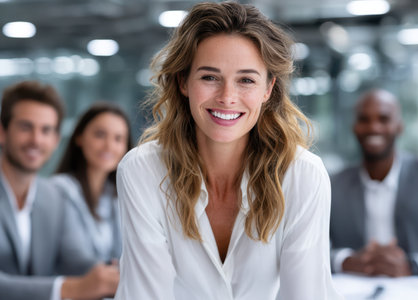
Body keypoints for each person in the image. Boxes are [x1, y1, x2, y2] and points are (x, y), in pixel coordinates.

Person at [115, 2, 342, 300]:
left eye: (246, 80)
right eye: (209, 77)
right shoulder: (142, 171)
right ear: (183, 81)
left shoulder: (303, 175)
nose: (227, 97)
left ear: (267, 89)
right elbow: (145, 294)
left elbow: (305, 295)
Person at [0, 81, 119, 300]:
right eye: (26, 127)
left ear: (55, 140)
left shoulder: (52, 196)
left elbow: (76, 259)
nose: (36, 140)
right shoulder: (62, 188)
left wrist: (113, 273)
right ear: (2, 131)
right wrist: (67, 289)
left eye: (46, 130)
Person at [330, 88, 418, 277]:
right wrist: (345, 261)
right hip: (352, 291)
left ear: (399, 126)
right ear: (354, 127)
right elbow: (308, 249)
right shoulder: (334, 185)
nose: (374, 127)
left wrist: (413, 265)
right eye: (364, 119)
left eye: (383, 119)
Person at [51, 102, 132, 263]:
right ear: (79, 137)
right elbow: (72, 258)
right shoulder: (58, 190)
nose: (109, 146)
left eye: (118, 138)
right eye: (100, 135)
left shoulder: (118, 196)